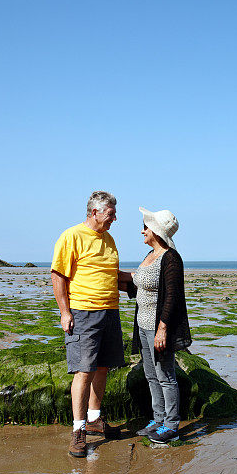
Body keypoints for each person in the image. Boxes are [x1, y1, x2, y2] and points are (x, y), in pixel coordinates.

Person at [51, 191, 130, 457]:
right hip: (83, 312)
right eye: (110, 214)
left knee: (103, 367)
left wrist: (147, 276)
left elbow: (110, 274)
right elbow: (59, 275)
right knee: (83, 371)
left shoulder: (109, 239)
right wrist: (65, 312)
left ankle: (95, 419)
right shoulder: (71, 235)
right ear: (94, 212)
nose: (114, 219)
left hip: (110, 311)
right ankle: (78, 430)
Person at [126, 207, 192, 444]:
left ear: (156, 231)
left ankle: (172, 425)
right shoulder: (149, 255)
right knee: (150, 374)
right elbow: (135, 283)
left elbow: (173, 297)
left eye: (146, 227)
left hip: (158, 327)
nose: (142, 230)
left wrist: (162, 329)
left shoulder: (170, 257)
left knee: (165, 375)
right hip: (142, 325)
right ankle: (158, 418)